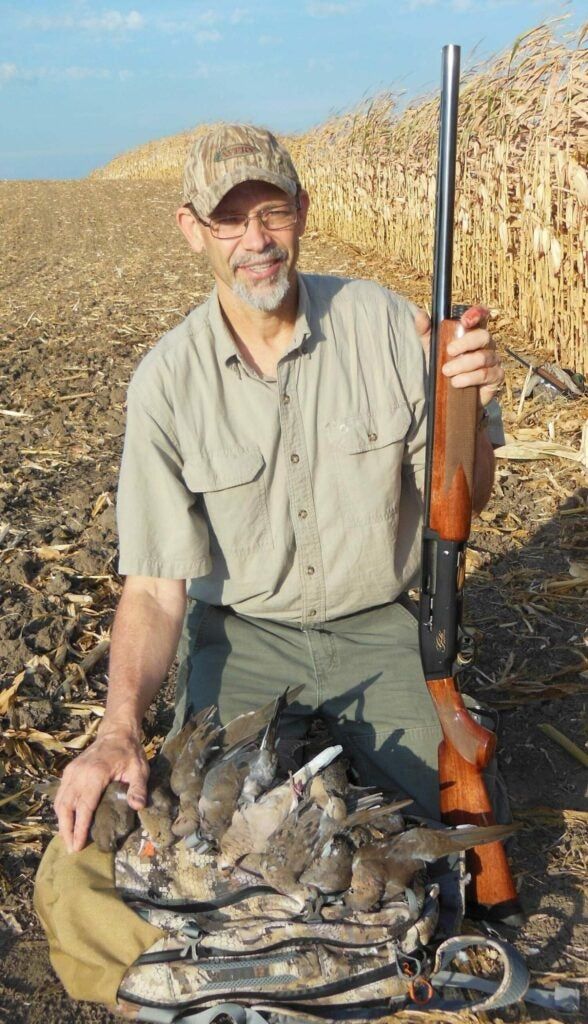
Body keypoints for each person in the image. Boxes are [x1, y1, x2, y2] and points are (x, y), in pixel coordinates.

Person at [54, 123, 505, 853]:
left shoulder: (390, 326)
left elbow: (469, 499)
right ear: (191, 230)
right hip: (244, 638)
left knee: (450, 837)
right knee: (208, 838)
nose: (256, 240)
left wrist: (469, 415)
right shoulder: (167, 383)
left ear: (303, 208)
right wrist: (117, 731)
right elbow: (153, 588)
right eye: (229, 218)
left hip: (376, 626)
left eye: (273, 213)